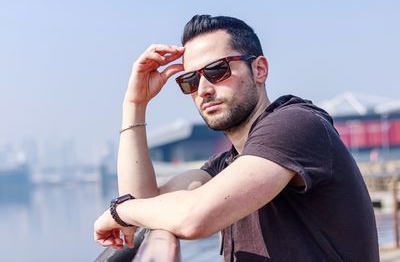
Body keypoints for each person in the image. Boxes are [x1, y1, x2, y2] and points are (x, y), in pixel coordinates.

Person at [94, 15, 379, 261]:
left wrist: (120, 211)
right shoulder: (227, 164)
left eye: (217, 70)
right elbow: (145, 204)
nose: (203, 89)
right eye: (190, 80)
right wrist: (134, 104)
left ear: (259, 69)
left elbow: (194, 218)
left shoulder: (296, 125)